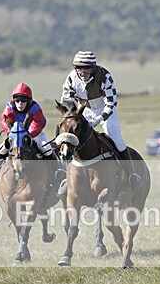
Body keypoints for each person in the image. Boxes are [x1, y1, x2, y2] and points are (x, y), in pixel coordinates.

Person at [60, 50, 142, 193]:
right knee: (66, 139)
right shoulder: (72, 77)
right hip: (83, 111)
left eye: (86, 68)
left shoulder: (105, 76)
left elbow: (111, 103)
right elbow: (67, 100)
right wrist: (73, 116)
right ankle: (65, 178)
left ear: (93, 67)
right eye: (79, 67)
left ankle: (132, 175)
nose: (82, 71)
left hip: (105, 111)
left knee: (117, 140)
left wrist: (99, 119)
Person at [0, 82, 65, 190]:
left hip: (34, 134)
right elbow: (4, 120)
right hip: (15, 135)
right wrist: (11, 132)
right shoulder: (9, 107)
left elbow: (39, 123)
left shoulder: (35, 107)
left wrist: (28, 134)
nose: (20, 103)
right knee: (1, 150)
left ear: (28, 101)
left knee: (46, 148)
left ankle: (59, 172)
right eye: (17, 101)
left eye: (23, 101)